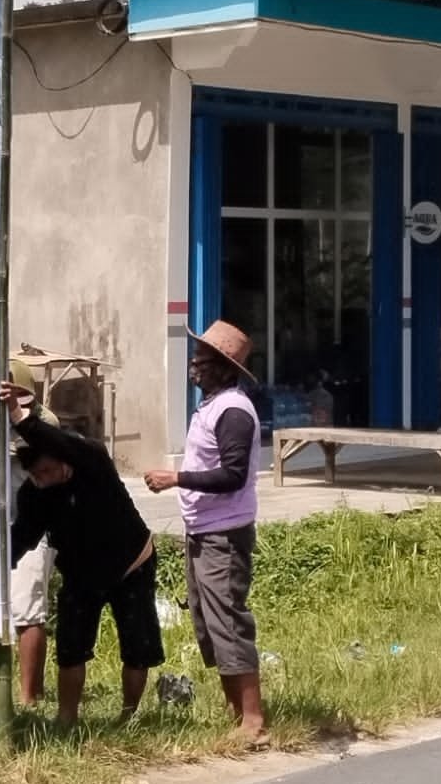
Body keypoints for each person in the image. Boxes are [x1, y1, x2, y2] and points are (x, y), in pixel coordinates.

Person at [2, 378, 163, 726]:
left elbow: (54, 441)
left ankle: (128, 716)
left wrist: (17, 412)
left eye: (46, 470)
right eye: (34, 474)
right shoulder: (34, 492)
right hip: (80, 571)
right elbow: (24, 537)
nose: (41, 479)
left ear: (63, 458)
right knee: (71, 647)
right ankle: (66, 717)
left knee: (138, 647)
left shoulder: (91, 459)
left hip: (130, 562)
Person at [143, 319, 267, 745]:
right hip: (203, 530)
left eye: (203, 360)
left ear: (225, 368)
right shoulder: (214, 405)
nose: (194, 367)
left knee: (228, 622)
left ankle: (252, 723)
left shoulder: (233, 412)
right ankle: (238, 715)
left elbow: (232, 475)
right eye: (195, 358)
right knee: (209, 624)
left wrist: (177, 479)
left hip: (224, 535)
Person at [6, 358, 59, 706]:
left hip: (36, 526)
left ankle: (30, 699)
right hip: (3, 523)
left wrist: (15, 416)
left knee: (28, 609)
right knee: (10, 612)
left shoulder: (44, 422)